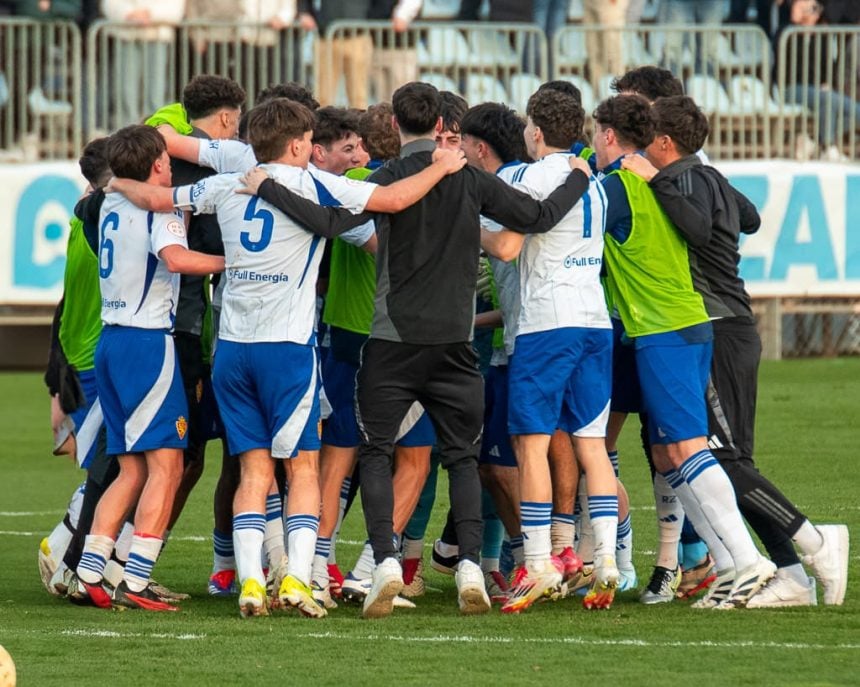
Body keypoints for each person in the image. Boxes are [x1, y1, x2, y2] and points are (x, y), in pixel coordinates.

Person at [232, 82, 594, 619]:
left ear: (396, 127)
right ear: (443, 126)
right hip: (454, 341)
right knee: (462, 458)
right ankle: (471, 563)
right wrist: (577, 179)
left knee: (376, 454)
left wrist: (269, 190)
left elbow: (329, 224)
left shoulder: (384, 177)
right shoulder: (468, 176)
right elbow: (537, 218)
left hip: (391, 341)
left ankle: (384, 562)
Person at [108, 97, 472, 617]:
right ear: (300, 145)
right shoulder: (313, 183)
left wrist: (119, 184)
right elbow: (392, 201)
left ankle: (253, 581)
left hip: (232, 350)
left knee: (254, 470)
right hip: (287, 349)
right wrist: (439, 168)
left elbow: (158, 199)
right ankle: (299, 580)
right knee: (302, 466)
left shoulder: (228, 183)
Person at [621, 95, 850, 607]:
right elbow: (749, 218)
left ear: (663, 143)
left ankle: (814, 539)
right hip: (734, 327)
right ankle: (791, 577)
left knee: (720, 459)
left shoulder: (676, 179)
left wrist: (654, 181)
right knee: (730, 460)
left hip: (717, 328)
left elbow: (700, 229)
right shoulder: (709, 176)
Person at [593, 94, 776, 610]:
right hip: (685, 325)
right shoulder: (666, 180)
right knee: (671, 451)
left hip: (663, 330)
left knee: (691, 450)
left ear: (609, 136)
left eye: (594, 133)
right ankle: (730, 565)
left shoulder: (617, 188)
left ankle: (746, 560)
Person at [75, 125, 226, 612]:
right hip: (146, 345)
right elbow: (176, 260)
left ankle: (90, 572)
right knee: (169, 464)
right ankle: (136, 580)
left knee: (132, 468)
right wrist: (234, 262)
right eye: (166, 159)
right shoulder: (161, 206)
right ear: (159, 165)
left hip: (112, 341)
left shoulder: (111, 205)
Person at [479, 88, 618, 613]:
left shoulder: (523, 176)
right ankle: (604, 559)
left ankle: (536, 564)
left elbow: (507, 246)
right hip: (594, 321)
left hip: (546, 323)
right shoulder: (598, 186)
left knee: (531, 445)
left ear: (535, 131)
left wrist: (471, 231)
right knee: (590, 443)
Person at [100, 0, 186, 128]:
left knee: (156, 94)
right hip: (126, 34)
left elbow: (176, 7)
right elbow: (109, 3)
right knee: (125, 92)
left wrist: (150, 14)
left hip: (158, 36)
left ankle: (154, 137)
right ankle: (125, 139)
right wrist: (128, 13)